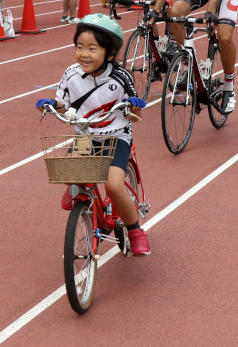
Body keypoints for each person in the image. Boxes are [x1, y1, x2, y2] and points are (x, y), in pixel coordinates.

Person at [35, 13, 151, 256]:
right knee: (67, 170)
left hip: (116, 137)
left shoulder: (120, 78)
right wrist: (52, 104)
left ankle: (135, 230)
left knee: (113, 185)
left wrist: (134, 106)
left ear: (109, 53)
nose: (84, 54)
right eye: (79, 47)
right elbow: (63, 103)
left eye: (92, 48)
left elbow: (134, 113)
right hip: (86, 136)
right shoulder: (71, 74)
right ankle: (76, 188)